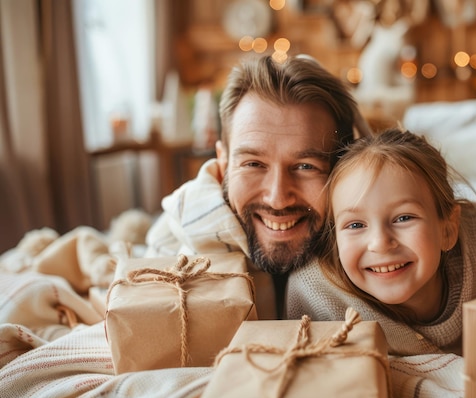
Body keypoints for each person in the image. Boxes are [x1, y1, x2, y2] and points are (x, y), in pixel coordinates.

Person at [286, 128, 476, 355]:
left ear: (448, 229)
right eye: (355, 224)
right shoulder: (318, 295)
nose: (380, 243)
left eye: (404, 218)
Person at [145, 54, 370, 319]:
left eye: (306, 166)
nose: (278, 198)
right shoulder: (173, 260)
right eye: (253, 164)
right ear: (222, 164)